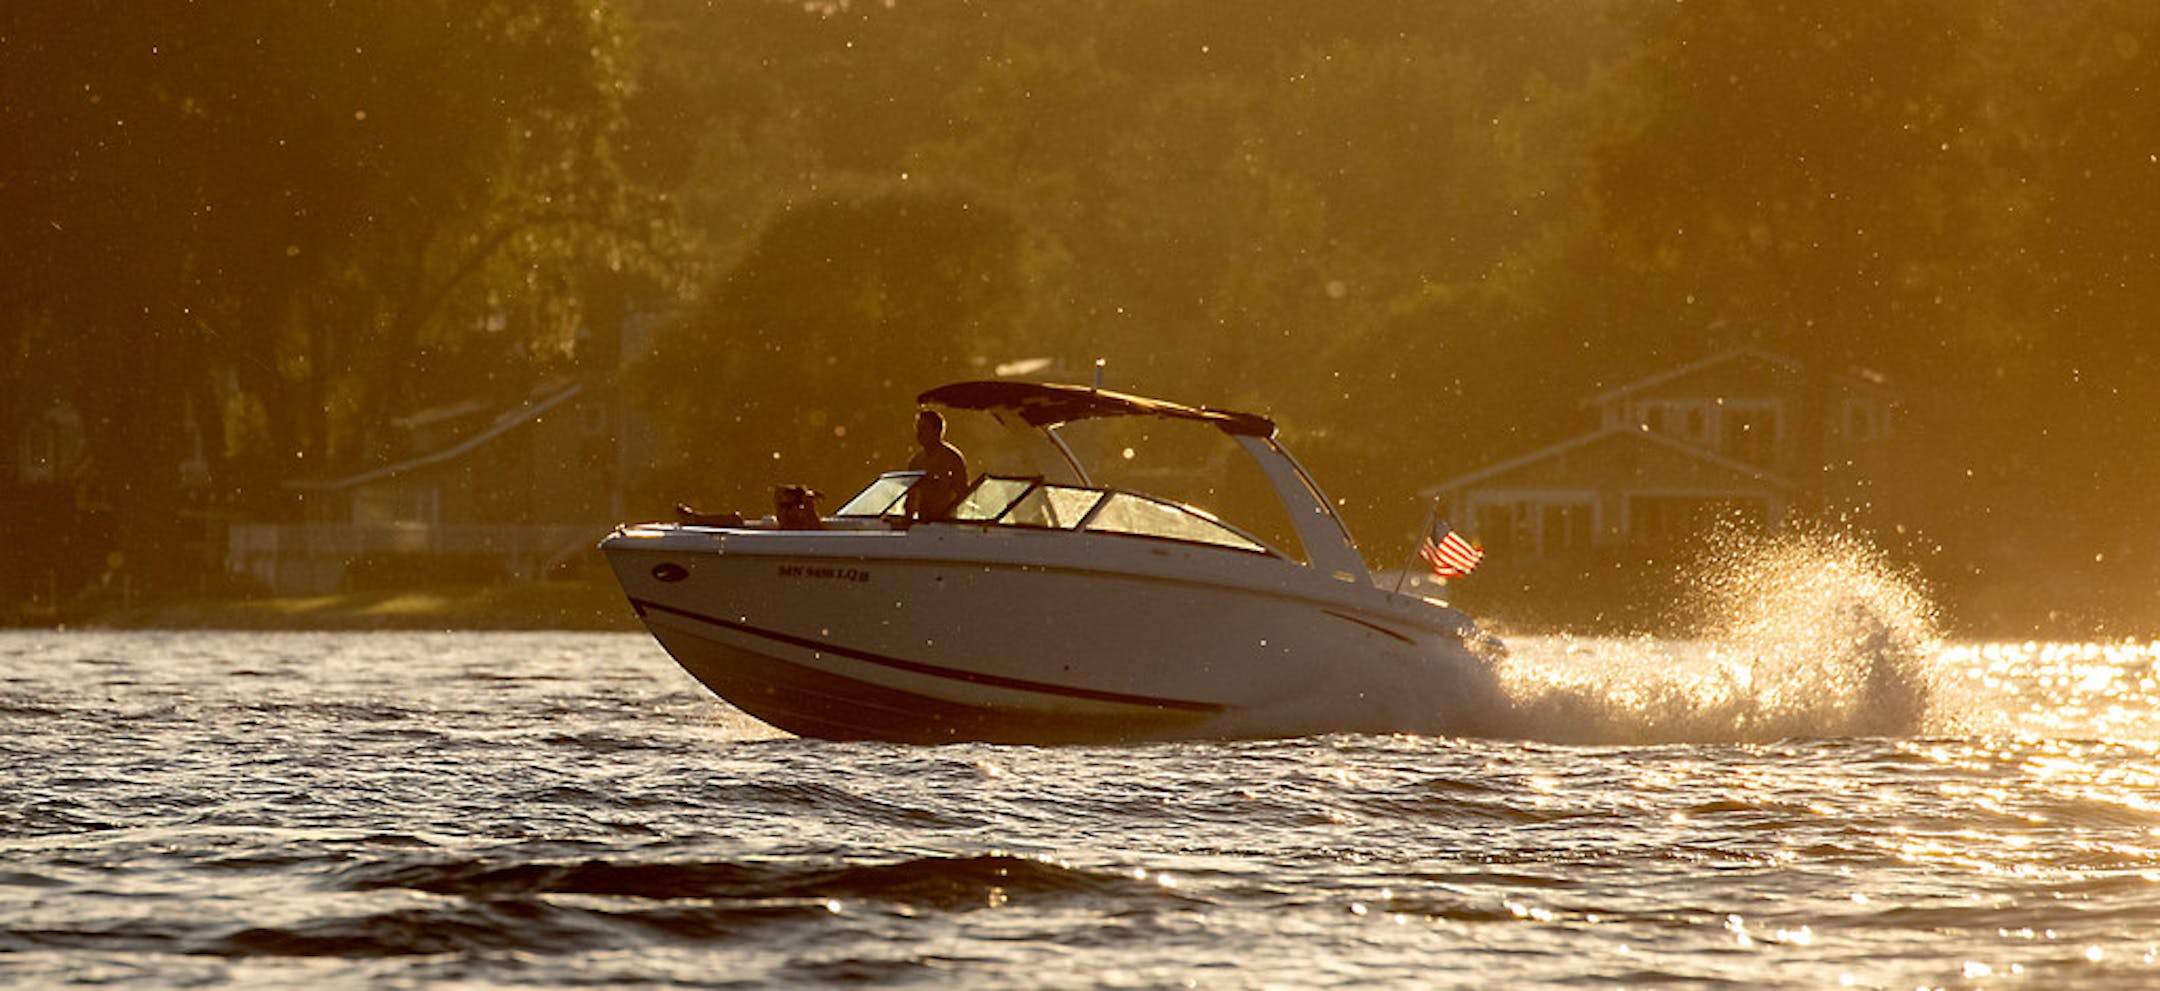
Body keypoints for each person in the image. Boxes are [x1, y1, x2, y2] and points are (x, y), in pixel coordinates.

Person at [904, 408, 969, 521]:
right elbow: (911, 497)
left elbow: (962, 495)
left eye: (923, 428)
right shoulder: (916, 461)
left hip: (946, 524)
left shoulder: (952, 459)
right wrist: (907, 521)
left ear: (936, 430)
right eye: (917, 428)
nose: (919, 433)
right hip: (921, 522)